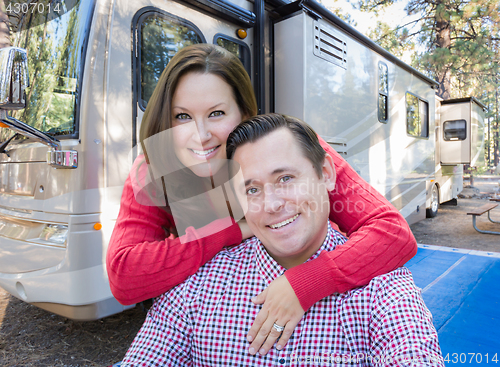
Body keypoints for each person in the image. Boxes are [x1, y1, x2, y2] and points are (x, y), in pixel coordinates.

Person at [106, 44, 417, 353]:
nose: (200, 135)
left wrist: (307, 283)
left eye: (216, 113)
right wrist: (231, 231)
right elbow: (124, 275)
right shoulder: (153, 170)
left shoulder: (288, 149)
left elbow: (392, 232)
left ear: (245, 114)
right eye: (182, 116)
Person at [120, 114, 444, 366]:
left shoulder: (383, 291)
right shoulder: (198, 284)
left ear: (326, 173)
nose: (272, 204)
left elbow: (394, 233)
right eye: (252, 189)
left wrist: (307, 283)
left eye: (285, 178)